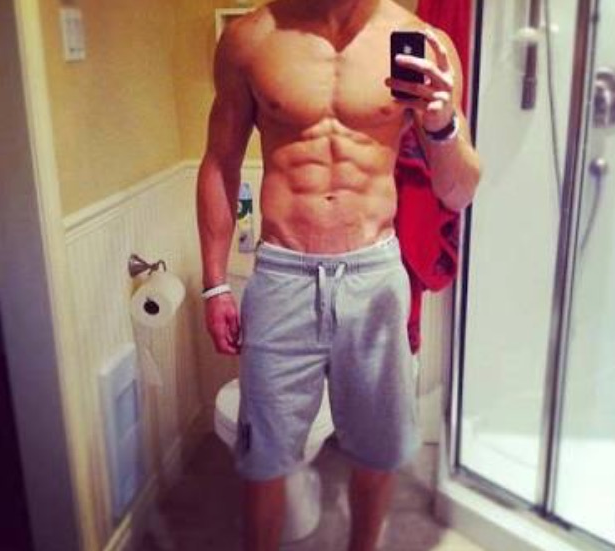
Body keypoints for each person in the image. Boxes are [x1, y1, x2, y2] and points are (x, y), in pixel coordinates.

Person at [197, 0, 481, 549]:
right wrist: (214, 282)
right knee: (264, 457)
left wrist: (442, 124)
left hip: (373, 274)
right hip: (282, 274)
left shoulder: (423, 43)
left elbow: (458, 190)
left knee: (377, 451)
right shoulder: (251, 38)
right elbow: (219, 162)